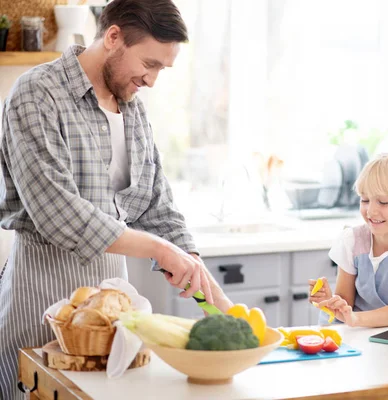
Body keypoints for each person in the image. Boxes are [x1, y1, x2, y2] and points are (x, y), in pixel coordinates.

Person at [0, 1, 233, 398]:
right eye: (151, 63)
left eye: (162, 68)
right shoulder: (37, 94)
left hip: (116, 324)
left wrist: (218, 301)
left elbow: (157, 209)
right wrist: (158, 250)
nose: (153, 80)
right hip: (39, 307)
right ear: (113, 38)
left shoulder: (133, 112)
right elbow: (59, 214)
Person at [309, 153, 388, 328]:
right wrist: (331, 301)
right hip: (354, 335)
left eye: (383, 202)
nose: (371, 211)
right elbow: (345, 303)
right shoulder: (352, 240)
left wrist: (356, 319)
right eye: (365, 200)